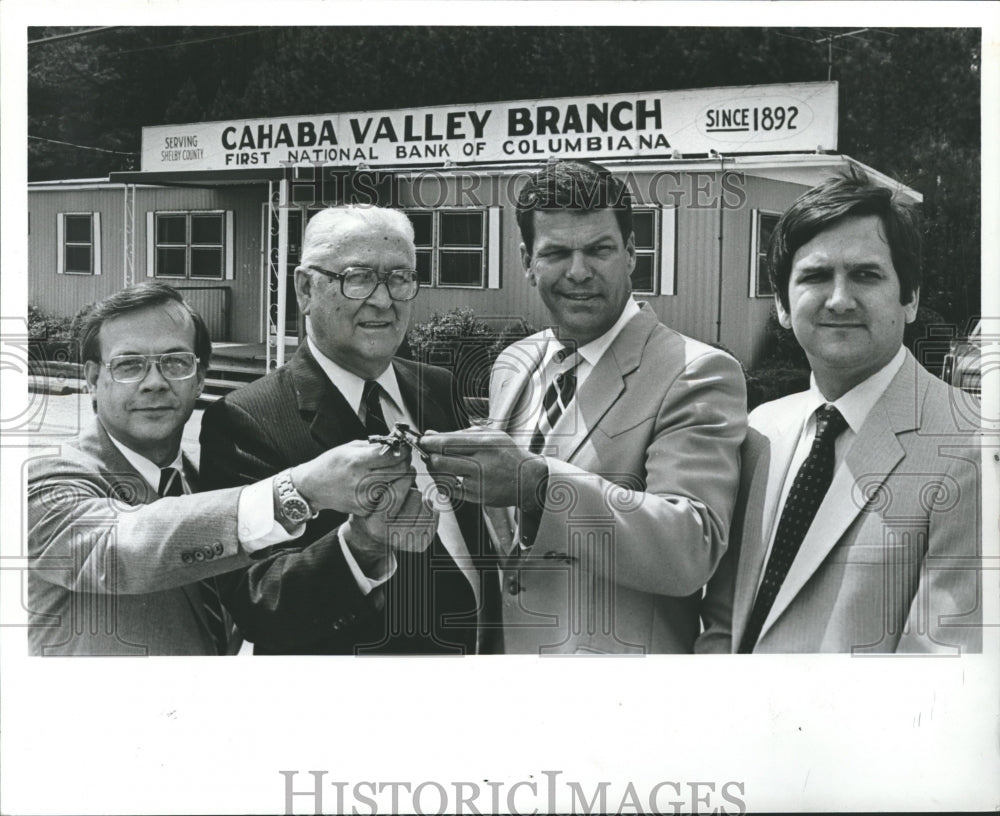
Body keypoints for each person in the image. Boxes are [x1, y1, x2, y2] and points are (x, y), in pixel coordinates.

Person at [420, 159, 748, 654]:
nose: (579, 272)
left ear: (632, 254)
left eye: (599, 250)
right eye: (556, 253)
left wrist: (540, 486)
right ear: (528, 261)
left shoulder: (697, 372)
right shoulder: (515, 361)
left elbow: (690, 547)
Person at [27, 282, 406, 656]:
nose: (155, 383)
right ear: (93, 380)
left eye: (175, 362)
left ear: (200, 378)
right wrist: (299, 489)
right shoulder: (48, 480)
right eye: (130, 365)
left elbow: (261, 594)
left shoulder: (204, 481)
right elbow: (120, 549)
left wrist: (365, 542)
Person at [698, 168, 982, 654]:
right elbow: (723, 624)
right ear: (784, 307)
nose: (839, 298)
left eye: (866, 274)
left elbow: (938, 672)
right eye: (814, 275)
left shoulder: (971, 445)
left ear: (909, 298)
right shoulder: (760, 431)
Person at [198, 205, 498, 655]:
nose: (383, 299)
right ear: (305, 288)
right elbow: (257, 601)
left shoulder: (437, 387)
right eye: (357, 277)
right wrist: (360, 547)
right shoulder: (245, 419)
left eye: (400, 278)